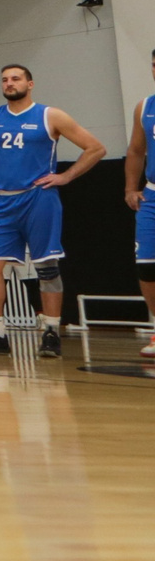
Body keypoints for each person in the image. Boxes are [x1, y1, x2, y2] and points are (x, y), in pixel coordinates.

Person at [0, 63, 103, 358]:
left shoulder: (50, 115)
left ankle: (51, 331)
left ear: (30, 84)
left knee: (46, 266)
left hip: (38, 198)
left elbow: (95, 148)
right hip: (1, 202)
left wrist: (66, 176)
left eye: (16, 78)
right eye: (4, 79)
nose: (9, 83)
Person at [124, 47, 155, 362]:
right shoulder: (145, 106)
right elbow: (135, 150)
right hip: (152, 195)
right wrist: (130, 188)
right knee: (147, 266)